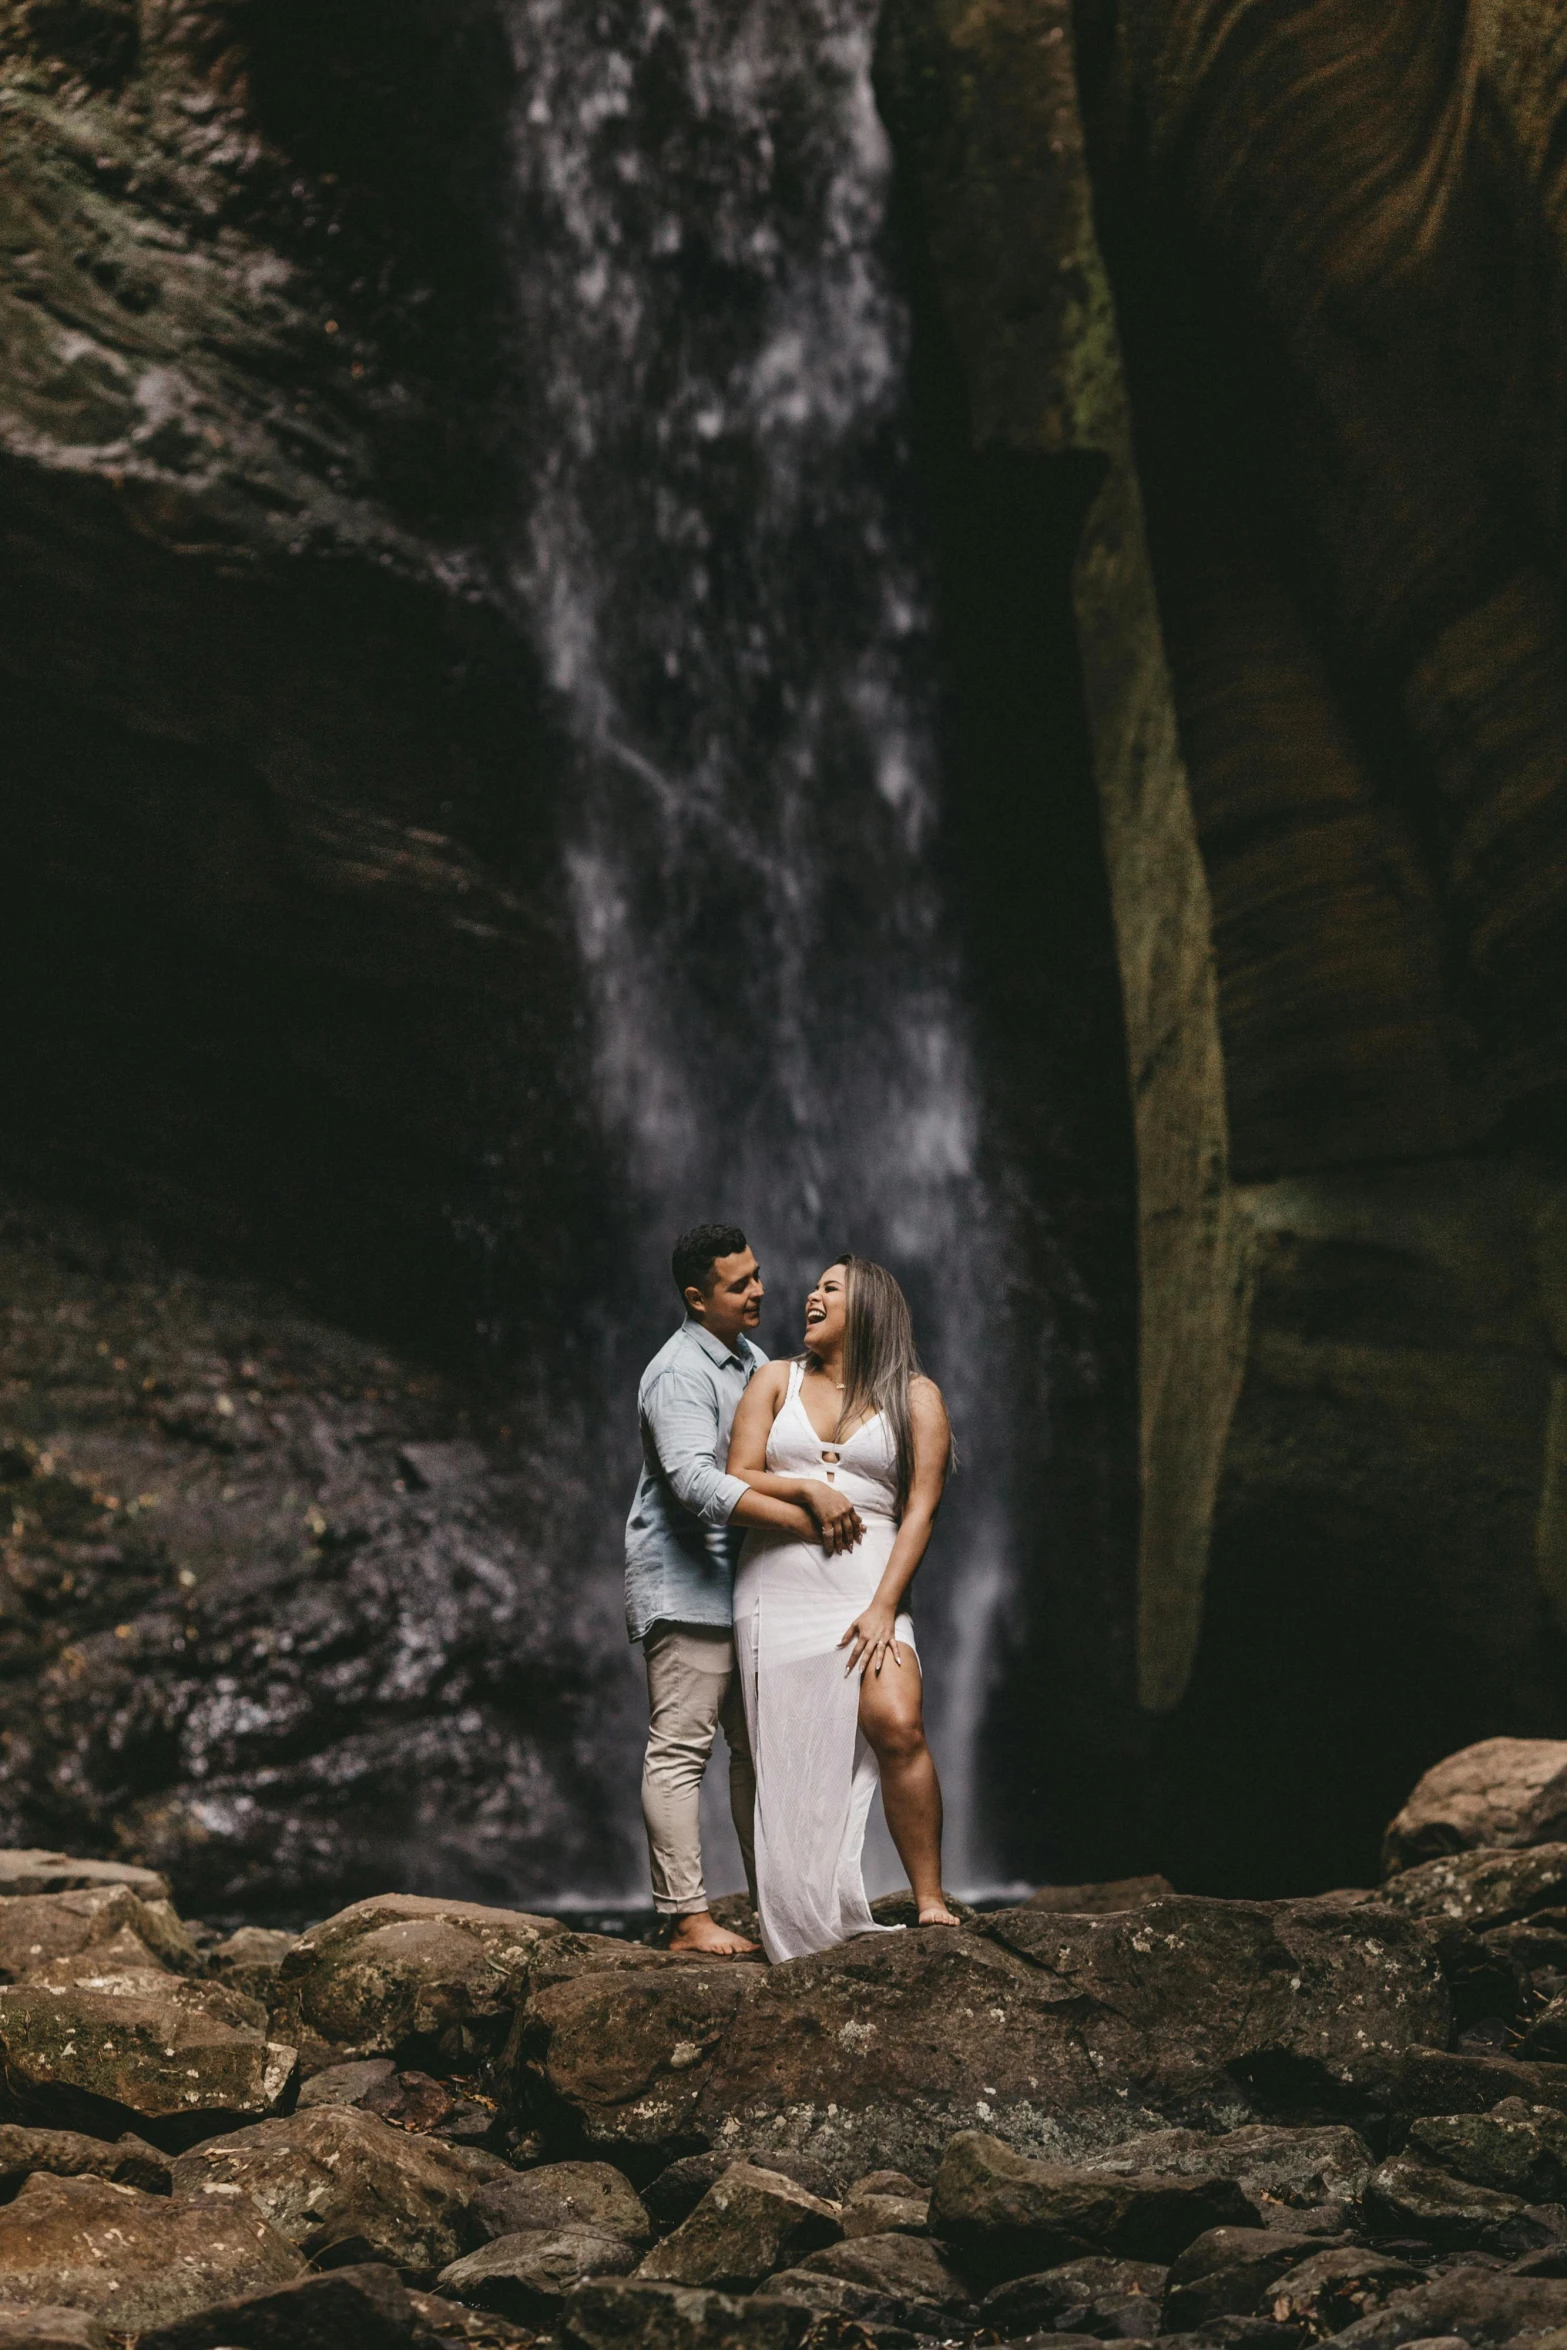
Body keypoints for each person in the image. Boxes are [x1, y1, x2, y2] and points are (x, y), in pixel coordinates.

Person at [626, 1223, 865, 1958]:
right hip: (684, 1584)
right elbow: (695, 1483)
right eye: (739, 1285)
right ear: (698, 1299)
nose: (760, 1290)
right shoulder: (678, 1373)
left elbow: (760, 1458)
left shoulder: (753, 1360)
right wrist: (805, 1509)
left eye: (757, 1275)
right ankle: (684, 1918)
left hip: (744, 1586)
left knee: (755, 1751)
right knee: (680, 1750)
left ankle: (780, 1906)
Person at [726, 1253, 961, 1963]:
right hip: (775, 1583)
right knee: (790, 1753)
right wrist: (808, 1491)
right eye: (815, 1287)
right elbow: (735, 1475)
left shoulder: (916, 1396)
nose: (810, 1296)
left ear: (870, 1307)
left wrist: (886, 1606)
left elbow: (920, 1511)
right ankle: (804, 1912)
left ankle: (929, 1900)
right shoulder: (773, 1380)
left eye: (831, 1288)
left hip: (867, 1587)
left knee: (897, 1722)